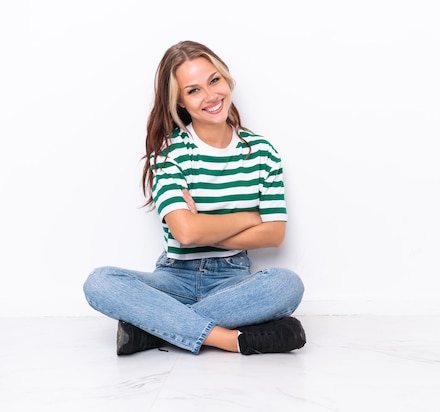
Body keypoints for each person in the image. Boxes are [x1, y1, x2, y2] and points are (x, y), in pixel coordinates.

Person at [83, 40, 306, 356]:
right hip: (174, 279)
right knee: (100, 282)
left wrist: (203, 225)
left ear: (227, 79)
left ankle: (152, 330)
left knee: (286, 285)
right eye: (194, 90)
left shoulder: (262, 153)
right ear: (180, 103)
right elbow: (185, 233)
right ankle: (229, 339)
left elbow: (274, 233)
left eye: (214, 80)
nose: (211, 96)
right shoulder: (170, 154)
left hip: (231, 281)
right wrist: (249, 218)